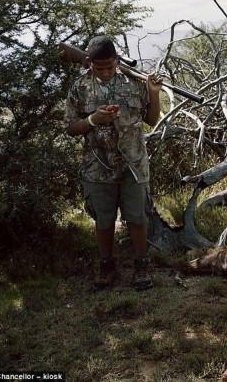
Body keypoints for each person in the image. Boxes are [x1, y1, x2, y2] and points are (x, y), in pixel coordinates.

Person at [65, 35, 162, 291]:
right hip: (98, 165)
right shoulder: (79, 87)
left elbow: (152, 120)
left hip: (134, 161)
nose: (106, 72)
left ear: (117, 60)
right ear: (88, 63)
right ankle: (106, 266)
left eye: (110, 66)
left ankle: (141, 265)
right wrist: (93, 120)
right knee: (104, 219)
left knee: (137, 216)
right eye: (99, 68)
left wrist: (154, 93)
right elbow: (70, 128)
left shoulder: (135, 82)